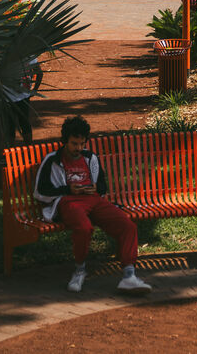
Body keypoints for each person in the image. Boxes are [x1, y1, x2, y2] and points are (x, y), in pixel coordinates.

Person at [33, 116, 152, 295]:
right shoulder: (52, 159)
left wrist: (96, 188)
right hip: (67, 201)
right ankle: (79, 270)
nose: (78, 148)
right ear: (65, 141)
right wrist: (68, 189)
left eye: (82, 143)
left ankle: (129, 276)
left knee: (127, 226)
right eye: (74, 144)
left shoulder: (90, 157)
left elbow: (102, 186)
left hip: (94, 200)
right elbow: (39, 192)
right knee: (84, 228)